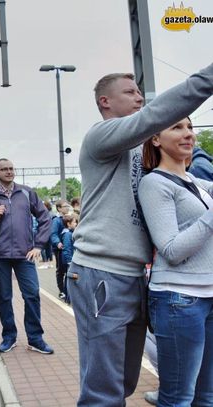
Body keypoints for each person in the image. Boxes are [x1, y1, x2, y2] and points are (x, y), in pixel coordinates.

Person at [67, 64, 213, 406]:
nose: (139, 98)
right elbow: (156, 116)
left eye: (139, 92)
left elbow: (185, 161)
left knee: (124, 383)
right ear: (105, 101)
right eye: (130, 92)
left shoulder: (142, 150)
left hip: (134, 277)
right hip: (100, 271)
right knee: (102, 392)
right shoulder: (101, 136)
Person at [139, 117, 213, 406]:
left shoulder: (196, 182)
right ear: (156, 139)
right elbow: (171, 249)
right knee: (178, 399)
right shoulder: (154, 183)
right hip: (179, 300)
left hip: (208, 296)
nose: (188, 134)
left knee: (206, 397)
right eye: (177, 128)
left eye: (190, 128)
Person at [0, 158, 53, 354]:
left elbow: (45, 218)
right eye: (4, 169)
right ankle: (9, 337)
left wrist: (39, 246)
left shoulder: (27, 193)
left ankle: (35, 339)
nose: (9, 172)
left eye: (11, 168)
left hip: (24, 254)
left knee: (32, 294)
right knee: (4, 297)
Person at [51, 200, 71, 299]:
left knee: (68, 270)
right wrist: (57, 242)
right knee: (61, 270)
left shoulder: (69, 217)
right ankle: (62, 291)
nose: (67, 207)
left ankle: (68, 290)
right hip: (59, 249)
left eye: (68, 205)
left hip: (68, 248)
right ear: (59, 208)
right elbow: (53, 233)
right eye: (65, 206)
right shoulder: (56, 220)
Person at [60, 213, 78, 302]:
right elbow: (67, 249)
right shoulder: (67, 234)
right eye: (75, 222)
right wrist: (70, 261)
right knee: (69, 279)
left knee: (68, 278)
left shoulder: (69, 233)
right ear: (68, 224)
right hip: (69, 261)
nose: (76, 224)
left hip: (70, 260)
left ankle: (68, 297)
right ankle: (68, 298)